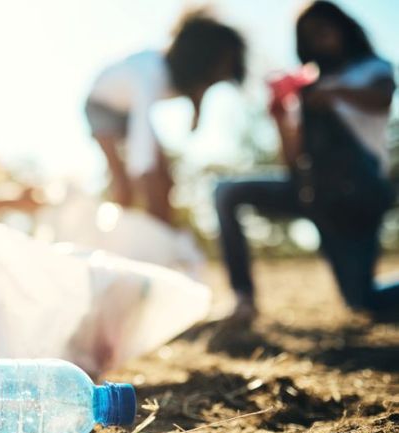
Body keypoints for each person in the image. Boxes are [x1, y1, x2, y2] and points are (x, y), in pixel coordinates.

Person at [215, 1, 397, 322]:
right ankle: (244, 298)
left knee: (362, 301)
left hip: (356, 200)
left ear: (342, 26)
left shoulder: (372, 69)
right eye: (309, 33)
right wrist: (280, 118)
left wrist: (334, 93)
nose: (319, 36)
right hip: (312, 193)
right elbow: (293, 161)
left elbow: (382, 98)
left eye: (324, 26)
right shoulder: (304, 88)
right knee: (227, 192)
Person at [85, 12, 246, 224]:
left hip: (130, 109)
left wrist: (197, 112)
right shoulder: (148, 74)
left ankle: (164, 231)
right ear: (198, 61)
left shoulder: (191, 81)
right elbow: (141, 150)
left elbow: (198, 91)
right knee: (125, 181)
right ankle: (125, 234)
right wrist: (148, 182)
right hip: (101, 105)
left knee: (166, 179)